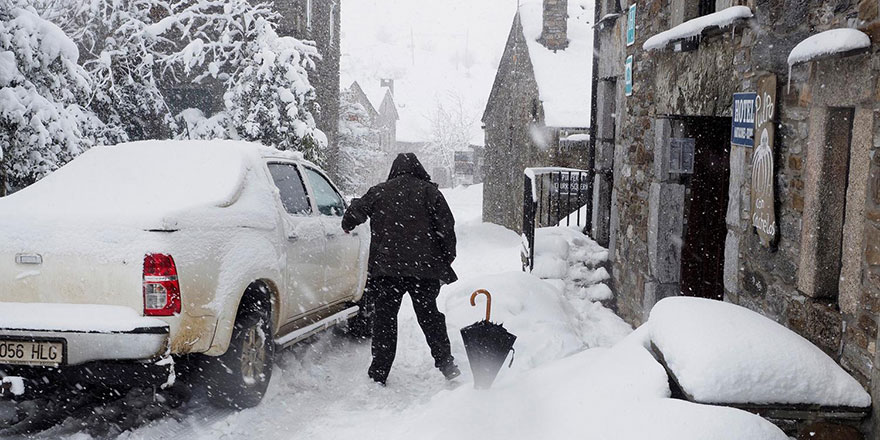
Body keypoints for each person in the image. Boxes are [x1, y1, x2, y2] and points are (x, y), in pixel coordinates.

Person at [342, 153, 460, 385]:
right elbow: (447, 230)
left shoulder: (379, 191)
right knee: (430, 317)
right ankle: (447, 364)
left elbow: (354, 214)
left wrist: (348, 223)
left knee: (385, 320)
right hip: (423, 272)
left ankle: (379, 372)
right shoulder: (431, 193)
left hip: (387, 270)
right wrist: (445, 261)